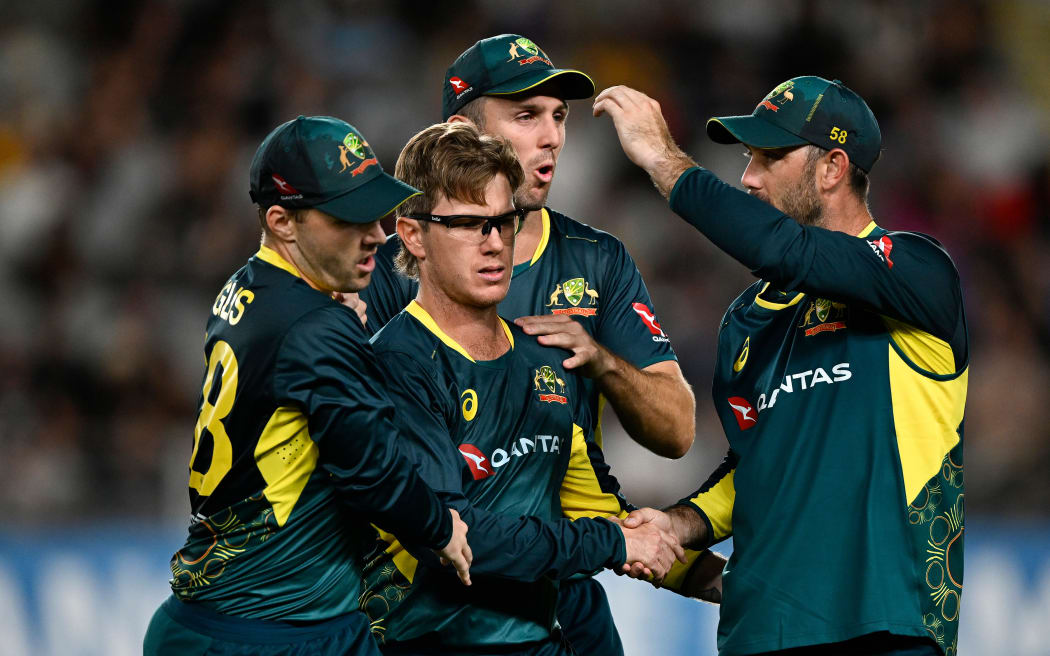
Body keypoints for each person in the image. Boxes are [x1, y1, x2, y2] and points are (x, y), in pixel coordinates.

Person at [359, 34, 719, 655]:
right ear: (459, 133)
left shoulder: (594, 259)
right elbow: (419, 499)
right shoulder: (390, 276)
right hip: (441, 604)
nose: (551, 137)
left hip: (564, 580)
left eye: (560, 117)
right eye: (525, 116)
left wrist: (603, 361)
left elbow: (674, 432)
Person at [595, 77, 968, 655]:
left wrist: (662, 159)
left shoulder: (916, 274)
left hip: (883, 623)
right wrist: (679, 524)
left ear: (832, 167)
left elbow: (782, 250)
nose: (748, 177)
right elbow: (755, 468)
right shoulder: (745, 320)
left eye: (770, 157)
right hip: (759, 631)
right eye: (748, 157)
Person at [142, 116, 474, 656]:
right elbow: (375, 474)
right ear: (283, 221)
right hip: (279, 629)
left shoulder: (247, 286)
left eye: (376, 211)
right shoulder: (318, 325)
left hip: (208, 619)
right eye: (349, 218)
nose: (377, 235)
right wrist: (440, 529)